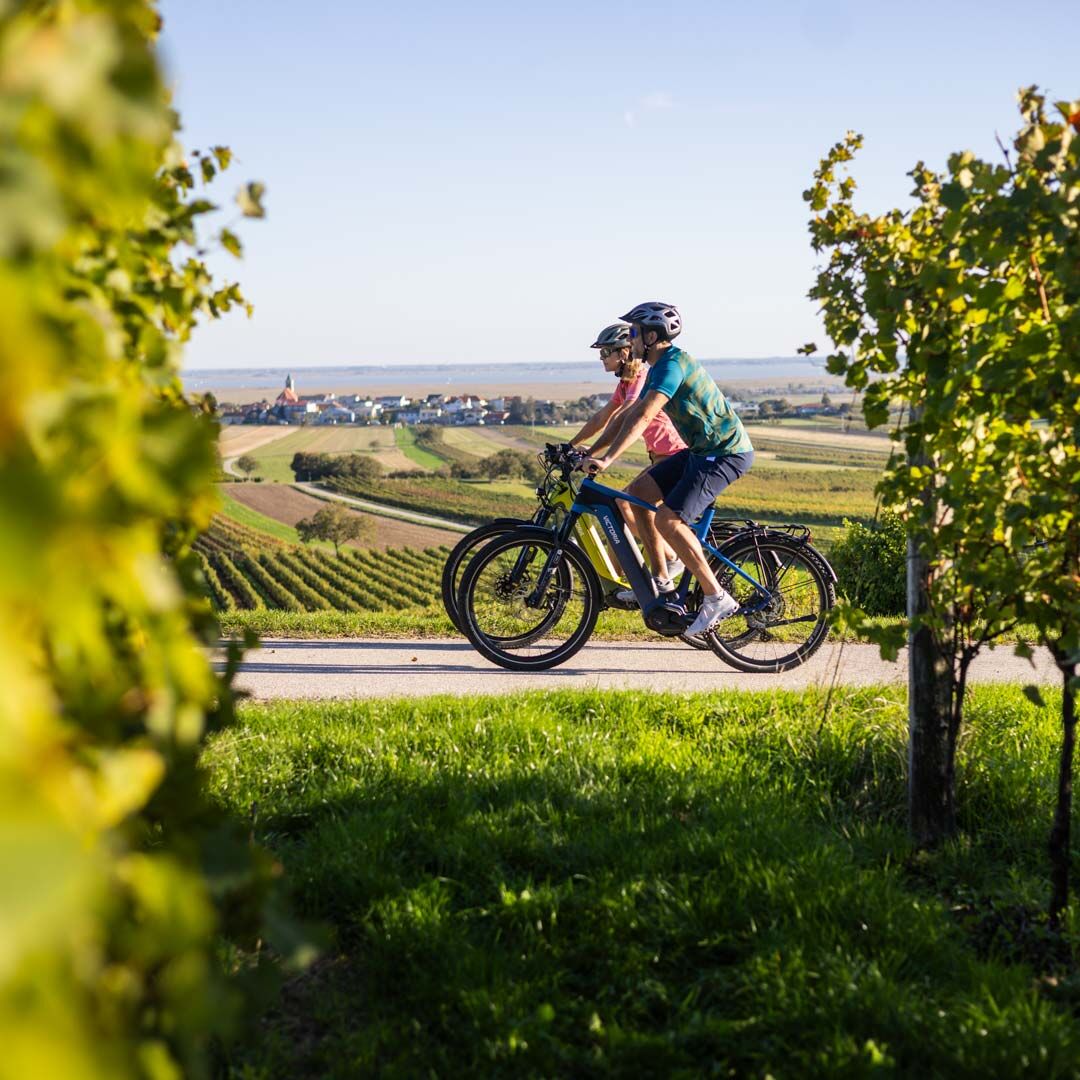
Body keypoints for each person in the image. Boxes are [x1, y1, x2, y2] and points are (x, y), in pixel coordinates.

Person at [583, 301, 754, 637]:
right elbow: (630, 416)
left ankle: (716, 596)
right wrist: (590, 451)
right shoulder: (658, 368)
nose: (629, 341)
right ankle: (660, 584)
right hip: (700, 452)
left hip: (724, 453)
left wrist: (607, 460)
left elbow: (646, 416)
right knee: (637, 496)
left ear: (651, 336)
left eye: (632, 333)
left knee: (668, 519)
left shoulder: (673, 365)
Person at [569, 322, 687, 585]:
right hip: (659, 455)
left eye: (605, 352)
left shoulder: (640, 377)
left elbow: (626, 415)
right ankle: (618, 580)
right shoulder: (624, 383)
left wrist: (601, 454)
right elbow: (603, 416)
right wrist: (572, 443)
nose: (601, 359)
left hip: (674, 454)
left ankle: (670, 560)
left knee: (625, 503)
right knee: (620, 506)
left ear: (624, 352)